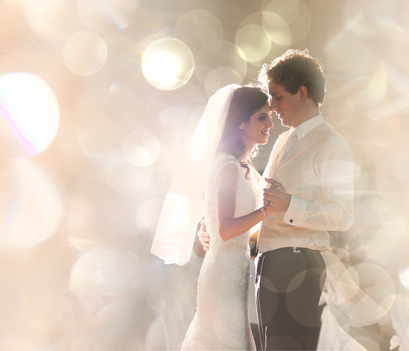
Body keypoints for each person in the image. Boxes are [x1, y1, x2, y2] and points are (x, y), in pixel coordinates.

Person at [200, 49, 355, 350]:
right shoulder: (283, 140)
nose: (272, 106)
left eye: (277, 96)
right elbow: (260, 207)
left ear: (302, 93)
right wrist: (213, 225)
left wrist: (290, 205)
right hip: (269, 266)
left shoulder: (331, 144)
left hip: (299, 264)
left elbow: (343, 215)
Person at [151, 84, 277, 350]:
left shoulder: (245, 167)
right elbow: (226, 229)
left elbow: (225, 223)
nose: (270, 124)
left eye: (270, 116)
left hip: (237, 268)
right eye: (262, 117)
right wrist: (267, 210)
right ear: (241, 122)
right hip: (222, 272)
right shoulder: (228, 166)